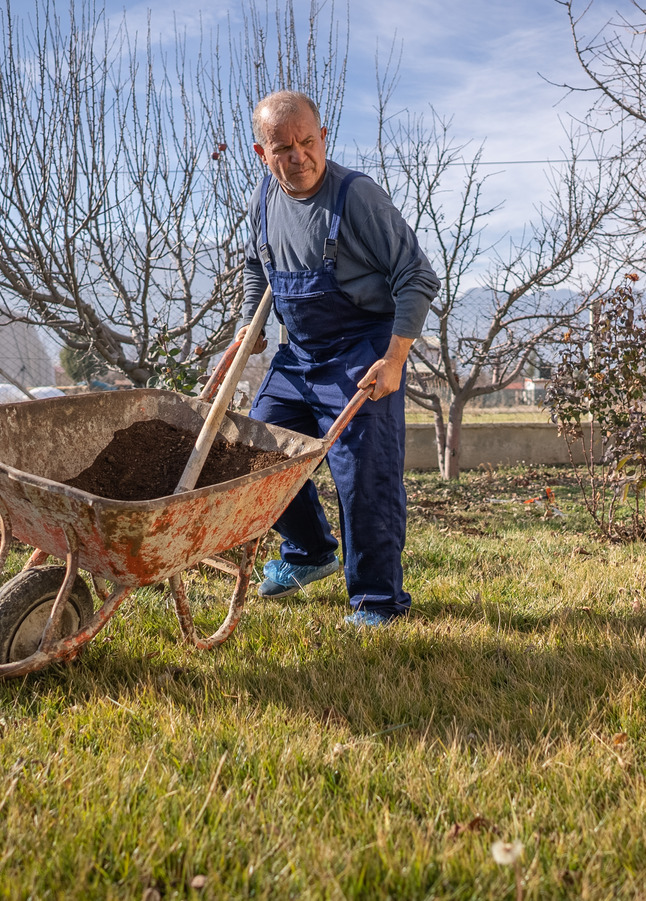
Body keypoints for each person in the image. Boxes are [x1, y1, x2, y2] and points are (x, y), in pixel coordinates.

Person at [235, 90, 439, 627]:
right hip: (298, 356)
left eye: (308, 142)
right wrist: (248, 327)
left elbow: (417, 276)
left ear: (323, 139)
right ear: (262, 153)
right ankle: (308, 553)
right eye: (283, 148)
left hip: (361, 352)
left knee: (362, 476)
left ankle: (377, 601)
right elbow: (257, 268)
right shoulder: (262, 199)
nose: (298, 156)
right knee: (255, 454)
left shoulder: (357, 197)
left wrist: (395, 359)